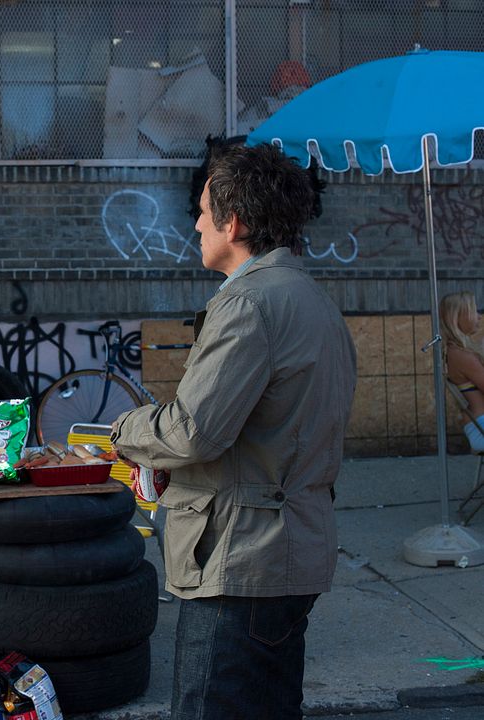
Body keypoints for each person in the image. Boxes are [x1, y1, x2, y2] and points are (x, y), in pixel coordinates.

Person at [110, 143, 357, 720]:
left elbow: (193, 430)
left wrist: (124, 430)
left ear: (235, 222)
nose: (195, 223)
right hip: (291, 550)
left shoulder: (249, 303)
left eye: (203, 209)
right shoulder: (313, 300)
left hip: (242, 561)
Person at [440, 291, 484, 452]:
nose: (479, 316)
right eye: (474, 311)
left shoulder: (456, 351)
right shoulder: (462, 356)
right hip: (481, 427)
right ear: (458, 317)